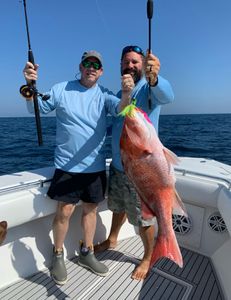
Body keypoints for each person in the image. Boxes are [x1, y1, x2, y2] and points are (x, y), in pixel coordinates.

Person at [22, 50, 134, 285]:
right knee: (64, 212)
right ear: (81, 66)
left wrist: (126, 93)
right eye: (87, 63)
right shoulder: (62, 89)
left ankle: (87, 253)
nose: (91, 67)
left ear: (101, 71)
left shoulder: (104, 95)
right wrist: (29, 85)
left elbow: (122, 109)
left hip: (94, 167)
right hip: (67, 166)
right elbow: (36, 110)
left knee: (91, 210)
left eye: (96, 65)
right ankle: (58, 255)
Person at [94, 45, 174, 280]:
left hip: (141, 171)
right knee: (117, 208)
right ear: (120, 64)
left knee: (143, 219)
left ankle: (148, 256)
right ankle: (112, 238)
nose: (130, 65)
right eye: (126, 61)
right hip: (119, 167)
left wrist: (156, 78)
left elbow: (167, 96)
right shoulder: (120, 95)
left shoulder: (148, 89)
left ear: (142, 65)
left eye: (135, 62)